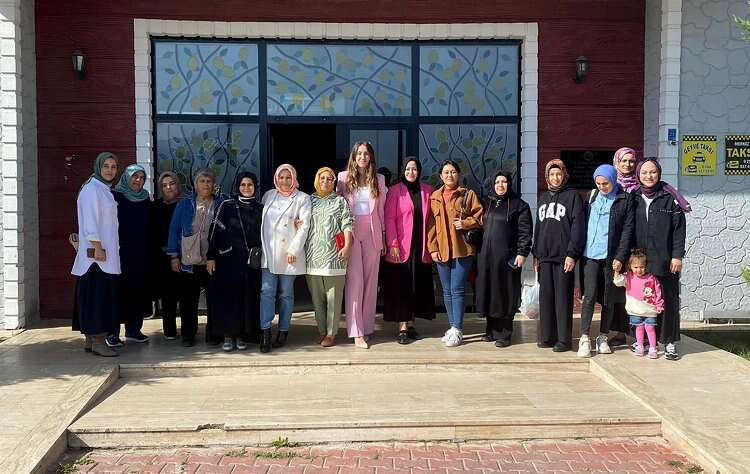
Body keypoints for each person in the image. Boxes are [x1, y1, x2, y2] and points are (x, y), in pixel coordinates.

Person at [632, 158, 688, 360]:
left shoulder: (669, 198)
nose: (649, 176)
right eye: (644, 172)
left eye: (653, 172)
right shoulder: (634, 197)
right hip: (641, 261)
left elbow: (679, 230)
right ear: (638, 175)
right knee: (644, 301)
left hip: (665, 260)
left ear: (659, 174)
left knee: (668, 300)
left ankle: (669, 341)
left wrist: (677, 256)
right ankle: (646, 340)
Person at [577, 164, 634, 358]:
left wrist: (620, 257)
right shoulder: (591, 196)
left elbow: (627, 231)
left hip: (611, 257)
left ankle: (603, 336)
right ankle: (585, 337)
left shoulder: (624, 199)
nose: (602, 187)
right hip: (590, 255)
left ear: (613, 180)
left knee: (608, 298)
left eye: (605, 183)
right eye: (599, 183)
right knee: (589, 296)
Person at [426, 160, 483, 348]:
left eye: (453, 172)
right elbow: (431, 225)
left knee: (457, 289)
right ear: (441, 176)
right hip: (442, 250)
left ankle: (457, 329)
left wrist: (465, 223)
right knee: (447, 291)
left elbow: (480, 218)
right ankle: (452, 327)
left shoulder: (468, 194)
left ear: (458, 174)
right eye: (446, 172)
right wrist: (432, 248)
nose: (449, 175)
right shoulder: (434, 197)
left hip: (462, 249)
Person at [337, 142, 387, 349]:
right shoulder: (342, 178)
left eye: (366, 153)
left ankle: (366, 327)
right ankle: (356, 332)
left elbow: (381, 210)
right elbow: (337, 208)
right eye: (359, 153)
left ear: (371, 156)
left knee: (370, 282)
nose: (362, 157)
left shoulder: (379, 179)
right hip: (351, 232)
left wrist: (383, 236)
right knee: (355, 281)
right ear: (354, 156)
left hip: (373, 233)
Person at [532, 159, 585, 352]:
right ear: (547, 176)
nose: (555, 177)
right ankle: (547, 336)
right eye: (552, 174)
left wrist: (572, 254)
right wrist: (536, 254)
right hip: (545, 257)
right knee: (546, 299)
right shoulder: (543, 197)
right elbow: (539, 227)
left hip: (564, 258)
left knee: (562, 299)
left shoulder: (573, 197)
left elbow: (578, 227)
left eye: (559, 174)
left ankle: (563, 340)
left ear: (564, 175)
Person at [71, 152, 121, 357]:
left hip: (103, 257)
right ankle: (98, 340)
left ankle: (91, 340)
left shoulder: (102, 188)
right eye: (106, 166)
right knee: (98, 298)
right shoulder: (92, 189)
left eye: (113, 167)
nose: (110, 170)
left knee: (94, 296)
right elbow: (90, 221)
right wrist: (97, 246)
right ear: (98, 166)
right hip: (97, 257)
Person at [167, 169, 224, 347]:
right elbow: (174, 230)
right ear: (195, 184)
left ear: (213, 185)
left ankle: (213, 334)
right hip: (189, 262)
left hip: (212, 261)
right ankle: (188, 335)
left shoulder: (221, 204)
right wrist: (174, 256)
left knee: (214, 299)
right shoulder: (185, 205)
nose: (205, 184)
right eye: (202, 181)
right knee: (188, 301)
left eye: (208, 181)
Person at [207, 172, 263, 351]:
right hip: (227, 261)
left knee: (245, 299)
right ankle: (227, 335)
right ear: (237, 186)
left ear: (255, 186)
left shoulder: (260, 208)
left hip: (249, 263)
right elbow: (214, 231)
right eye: (243, 185)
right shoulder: (227, 206)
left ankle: (241, 335)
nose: (246, 188)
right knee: (228, 299)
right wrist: (210, 256)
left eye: (250, 184)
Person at [475, 170, 532, 348]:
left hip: (507, 258)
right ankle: (491, 330)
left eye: (504, 182)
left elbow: (525, 232)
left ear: (509, 184)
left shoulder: (519, 205)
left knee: (505, 294)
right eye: (497, 182)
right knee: (490, 292)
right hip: (486, 258)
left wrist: (522, 253)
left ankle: (505, 334)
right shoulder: (487, 203)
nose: (500, 185)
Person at [383, 158, 436, 344]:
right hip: (401, 248)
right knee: (402, 286)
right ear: (402, 171)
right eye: (407, 169)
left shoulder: (428, 190)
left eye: (414, 169)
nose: (411, 172)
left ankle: (411, 323)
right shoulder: (394, 191)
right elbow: (389, 219)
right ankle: (403, 326)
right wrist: (393, 243)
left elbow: (432, 218)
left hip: (421, 247)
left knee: (416, 286)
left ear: (419, 171)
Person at [259, 164, 311, 353]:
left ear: (294, 178)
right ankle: (265, 332)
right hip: (269, 252)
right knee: (266, 292)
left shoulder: (302, 198)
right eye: (281, 177)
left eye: (288, 177)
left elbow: (304, 227)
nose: (284, 181)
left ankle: (283, 330)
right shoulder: (268, 195)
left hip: (289, 254)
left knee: (286, 294)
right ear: (276, 179)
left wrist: (293, 250)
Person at [305, 167, 354, 347]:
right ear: (317, 180)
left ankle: (331, 333)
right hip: (313, 257)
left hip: (334, 257)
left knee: (334, 298)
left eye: (329, 179)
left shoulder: (339, 201)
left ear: (334, 182)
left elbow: (347, 223)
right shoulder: (309, 200)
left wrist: (347, 245)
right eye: (322, 178)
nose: (326, 181)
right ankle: (322, 330)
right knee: (317, 298)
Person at [107, 164, 152, 348]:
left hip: (140, 253)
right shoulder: (115, 196)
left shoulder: (145, 198)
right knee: (117, 293)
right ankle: (112, 333)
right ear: (127, 177)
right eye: (135, 176)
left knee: (137, 291)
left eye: (141, 178)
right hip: (120, 253)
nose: (138, 180)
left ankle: (133, 330)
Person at [613, 249, 664, 359]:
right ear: (630, 266)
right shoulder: (629, 276)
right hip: (635, 310)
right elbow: (618, 282)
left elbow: (658, 291)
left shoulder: (652, 278)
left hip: (650, 310)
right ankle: (640, 346)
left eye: (642, 267)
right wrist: (616, 271)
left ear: (646, 266)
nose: (639, 270)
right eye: (635, 267)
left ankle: (652, 348)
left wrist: (659, 304)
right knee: (639, 328)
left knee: (650, 329)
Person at [149, 171, 182, 340]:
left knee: (184, 294)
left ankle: (188, 331)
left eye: (172, 183)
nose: (168, 187)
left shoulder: (185, 205)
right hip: (161, 257)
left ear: (177, 185)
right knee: (167, 295)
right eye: (164, 185)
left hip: (183, 256)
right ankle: (169, 330)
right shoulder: (154, 207)